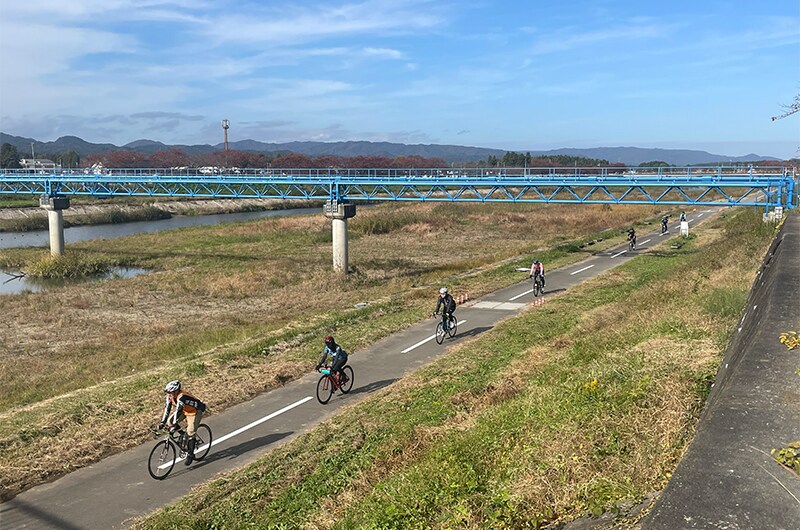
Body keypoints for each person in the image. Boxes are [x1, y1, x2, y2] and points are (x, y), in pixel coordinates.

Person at [159, 380, 206, 465]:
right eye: (168, 392)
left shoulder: (182, 397)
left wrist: (174, 424)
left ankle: (191, 454)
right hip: (185, 411)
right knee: (169, 422)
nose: (170, 394)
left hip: (195, 412)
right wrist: (163, 422)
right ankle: (183, 434)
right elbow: (167, 409)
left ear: (176, 391)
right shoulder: (169, 397)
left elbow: (178, 410)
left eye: (171, 392)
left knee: (191, 432)